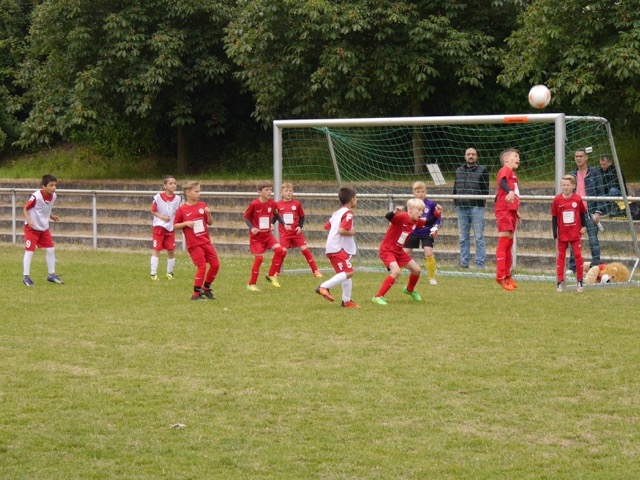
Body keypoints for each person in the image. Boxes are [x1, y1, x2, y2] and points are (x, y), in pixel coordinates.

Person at [373, 198, 427, 305]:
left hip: (399, 251)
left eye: (422, 210)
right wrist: (394, 212)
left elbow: (428, 222)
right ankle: (378, 297)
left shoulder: (416, 221)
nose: (421, 213)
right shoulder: (402, 217)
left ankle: (409, 290)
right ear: (410, 210)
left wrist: (437, 214)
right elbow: (389, 217)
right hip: (387, 250)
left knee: (417, 270)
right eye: (419, 210)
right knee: (396, 271)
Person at [173, 181, 220, 301]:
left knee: (215, 265)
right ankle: (195, 294)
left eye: (199, 191)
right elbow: (174, 226)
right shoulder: (182, 210)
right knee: (202, 266)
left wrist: (209, 215)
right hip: (194, 244)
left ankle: (206, 288)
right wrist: (185, 223)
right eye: (196, 191)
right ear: (188, 193)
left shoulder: (202, 205)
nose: (199, 193)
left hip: (205, 241)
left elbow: (210, 223)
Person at [315, 186, 360, 308]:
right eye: (355, 198)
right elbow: (342, 230)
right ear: (352, 199)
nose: (356, 200)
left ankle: (346, 301)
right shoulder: (348, 213)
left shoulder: (337, 213)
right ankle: (323, 287)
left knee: (344, 272)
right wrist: (352, 232)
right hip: (338, 248)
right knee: (348, 272)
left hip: (332, 247)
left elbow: (327, 226)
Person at [22, 174, 64, 286]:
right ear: (44, 186)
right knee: (29, 251)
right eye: (51, 185)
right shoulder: (36, 196)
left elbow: (46, 209)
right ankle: (26, 277)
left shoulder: (53, 196)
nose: (54, 188)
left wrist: (52, 216)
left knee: (50, 249)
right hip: (31, 229)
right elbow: (25, 209)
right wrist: (28, 220)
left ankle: (51, 275)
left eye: (55, 185)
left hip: (44, 228)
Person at [244, 180, 286, 291]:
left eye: (270, 190)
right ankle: (251, 284)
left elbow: (276, 214)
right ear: (259, 192)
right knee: (259, 258)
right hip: (257, 237)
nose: (269, 192)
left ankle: (271, 275)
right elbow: (246, 217)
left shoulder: (272, 203)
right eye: (266, 190)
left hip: (267, 235)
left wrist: (282, 224)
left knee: (280, 250)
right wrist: (252, 228)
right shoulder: (254, 204)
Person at [568, 148, 604, 274]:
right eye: (576, 156)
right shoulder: (572, 175)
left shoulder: (594, 173)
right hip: (575, 213)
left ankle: (596, 266)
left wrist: (598, 212)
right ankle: (572, 267)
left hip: (590, 212)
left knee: (593, 240)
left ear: (586, 157)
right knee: (574, 240)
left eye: (581, 156)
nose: (578, 158)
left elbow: (600, 192)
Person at [275, 182, 323, 278]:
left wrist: (300, 227)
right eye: (286, 191)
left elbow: (302, 217)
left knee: (305, 250)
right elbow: (275, 216)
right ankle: (276, 272)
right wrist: (272, 224)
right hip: (285, 233)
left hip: (296, 232)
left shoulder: (296, 203)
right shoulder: (278, 204)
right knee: (282, 252)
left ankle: (315, 271)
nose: (289, 193)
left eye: (290, 191)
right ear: (281, 193)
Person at [453, 147, 490, 268]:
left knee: (478, 236)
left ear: (476, 156)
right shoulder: (459, 170)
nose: (471, 156)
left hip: (476, 207)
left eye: (473, 154)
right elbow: (455, 187)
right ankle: (464, 263)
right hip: (461, 206)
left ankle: (480, 264)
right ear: (465, 156)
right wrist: (456, 201)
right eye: (468, 154)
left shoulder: (483, 170)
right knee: (463, 237)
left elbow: (485, 190)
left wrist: (479, 201)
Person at [552, 175, 587, 293]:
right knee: (561, 256)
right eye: (563, 185)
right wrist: (555, 233)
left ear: (573, 186)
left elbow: (582, 213)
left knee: (577, 254)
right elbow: (554, 217)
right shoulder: (557, 200)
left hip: (575, 233)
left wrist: (583, 226)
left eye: (568, 185)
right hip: (562, 234)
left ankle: (580, 280)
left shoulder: (577, 199)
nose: (565, 187)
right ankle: (560, 281)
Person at [403, 181, 442, 285]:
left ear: (426, 192)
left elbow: (437, 216)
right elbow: (405, 217)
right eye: (418, 191)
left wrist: (435, 227)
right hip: (413, 231)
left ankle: (432, 277)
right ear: (414, 193)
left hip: (427, 232)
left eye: (422, 191)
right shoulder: (410, 205)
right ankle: (397, 273)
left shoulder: (431, 204)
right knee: (405, 252)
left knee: (428, 253)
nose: (420, 194)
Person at [494, 148, 521, 291]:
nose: (518, 158)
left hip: (510, 211)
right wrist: (509, 191)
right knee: (504, 242)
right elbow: (502, 182)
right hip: (504, 211)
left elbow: (501, 194)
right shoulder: (505, 170)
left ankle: (507, 274)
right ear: (506, 159)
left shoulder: (513, 174)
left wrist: (515, 210)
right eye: (515, 156)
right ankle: (500, 276)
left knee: (509, 244)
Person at [150, 175, 181, 280]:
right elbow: (153, 210)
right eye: (170, 183)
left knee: (171, 250)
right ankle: (153, 273)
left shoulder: (178, 199)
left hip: (170, 228)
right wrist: (162, 217)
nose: (173, 185)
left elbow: (178, 212)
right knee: (156, 249)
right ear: (165, 186)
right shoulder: (158, 197)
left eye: (175, 183)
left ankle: (170, 272)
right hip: (159, 227)